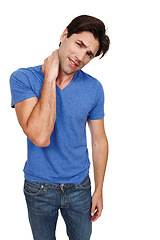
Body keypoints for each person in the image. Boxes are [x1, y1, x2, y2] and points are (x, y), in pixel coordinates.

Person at [10, 15, 110, 240]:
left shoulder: (94, 88)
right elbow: (40, 136)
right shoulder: (23, 78)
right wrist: (50, 78)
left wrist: (99, 189)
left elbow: (99, 140)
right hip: (39, 188)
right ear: (64, 35)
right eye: (79, 44)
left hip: (79, 188)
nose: (81, 57)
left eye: (89, 54)